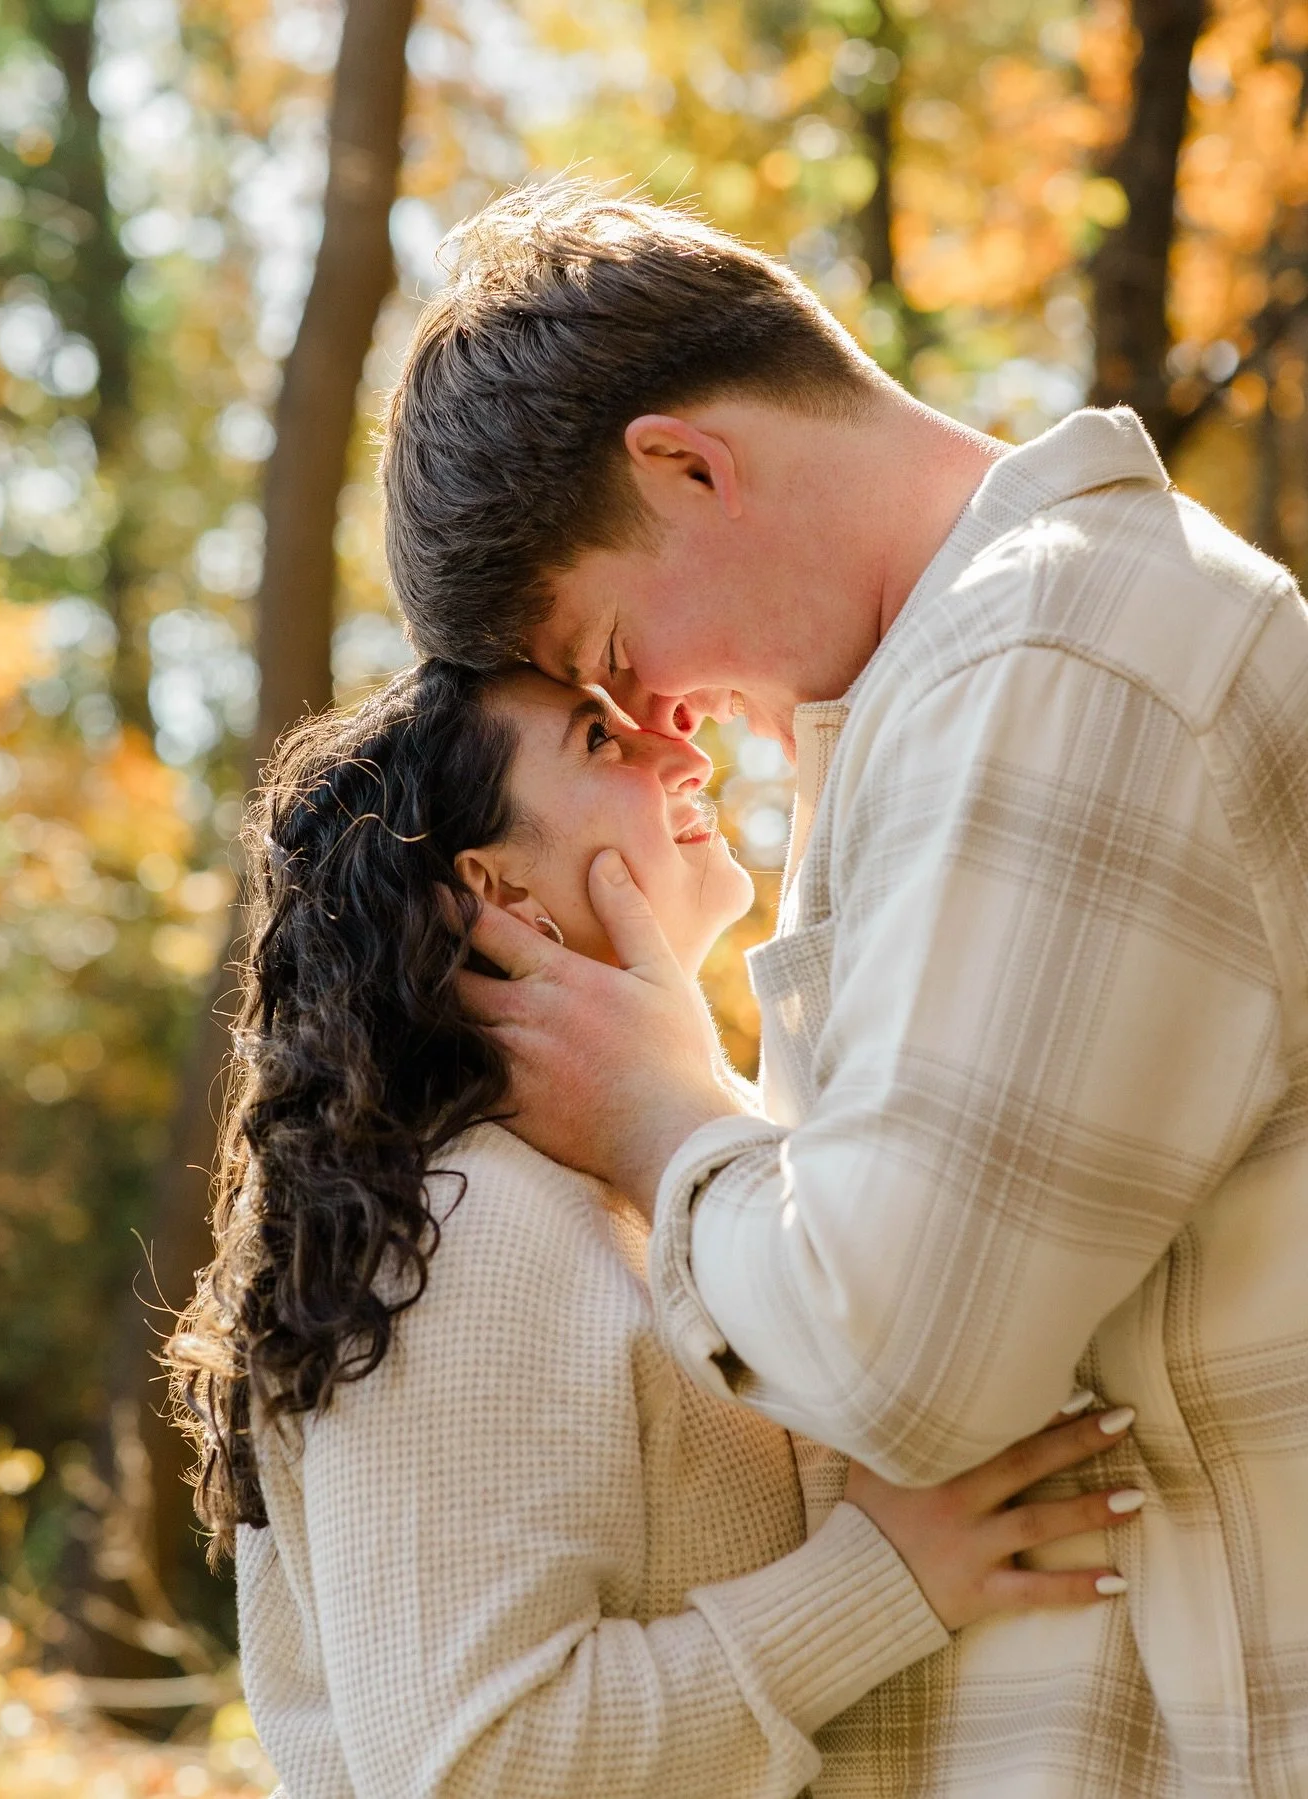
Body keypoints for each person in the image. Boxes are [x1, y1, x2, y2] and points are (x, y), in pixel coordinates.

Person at [379, 184, 1308, 1796]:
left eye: (613, 653)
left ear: (687, 464)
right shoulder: (954, 696)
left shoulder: (1052, 662)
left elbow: (909, 1358)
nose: (660, 721)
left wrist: (662, 1115)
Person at [168, 661, 1140, 1799]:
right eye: (599, 740)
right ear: (494, 888)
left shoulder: (619, 1179)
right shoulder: (463, 1221)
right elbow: (471, 1763)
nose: (683, 751)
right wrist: (881, 1581)